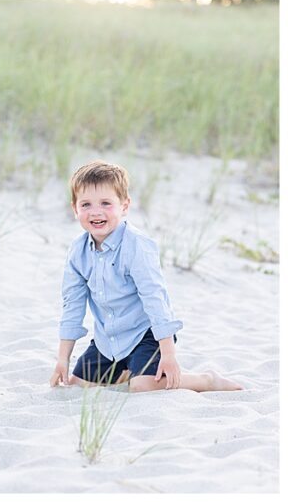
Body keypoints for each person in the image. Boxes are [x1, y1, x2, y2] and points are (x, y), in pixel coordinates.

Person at [50, 160, 241, 392]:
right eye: (86, 204)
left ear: (125, 205)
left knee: (142, 387)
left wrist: (169, 354)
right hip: (108, 340)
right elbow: (72, 306)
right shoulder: (78, 251)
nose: (96, 211)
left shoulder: (136, 245)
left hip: (146, 335)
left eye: (106, 203)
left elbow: (155, 298)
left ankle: (207, 380)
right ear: (75, 208)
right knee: (78, 385)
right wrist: (63, 359)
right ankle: (126, 370)